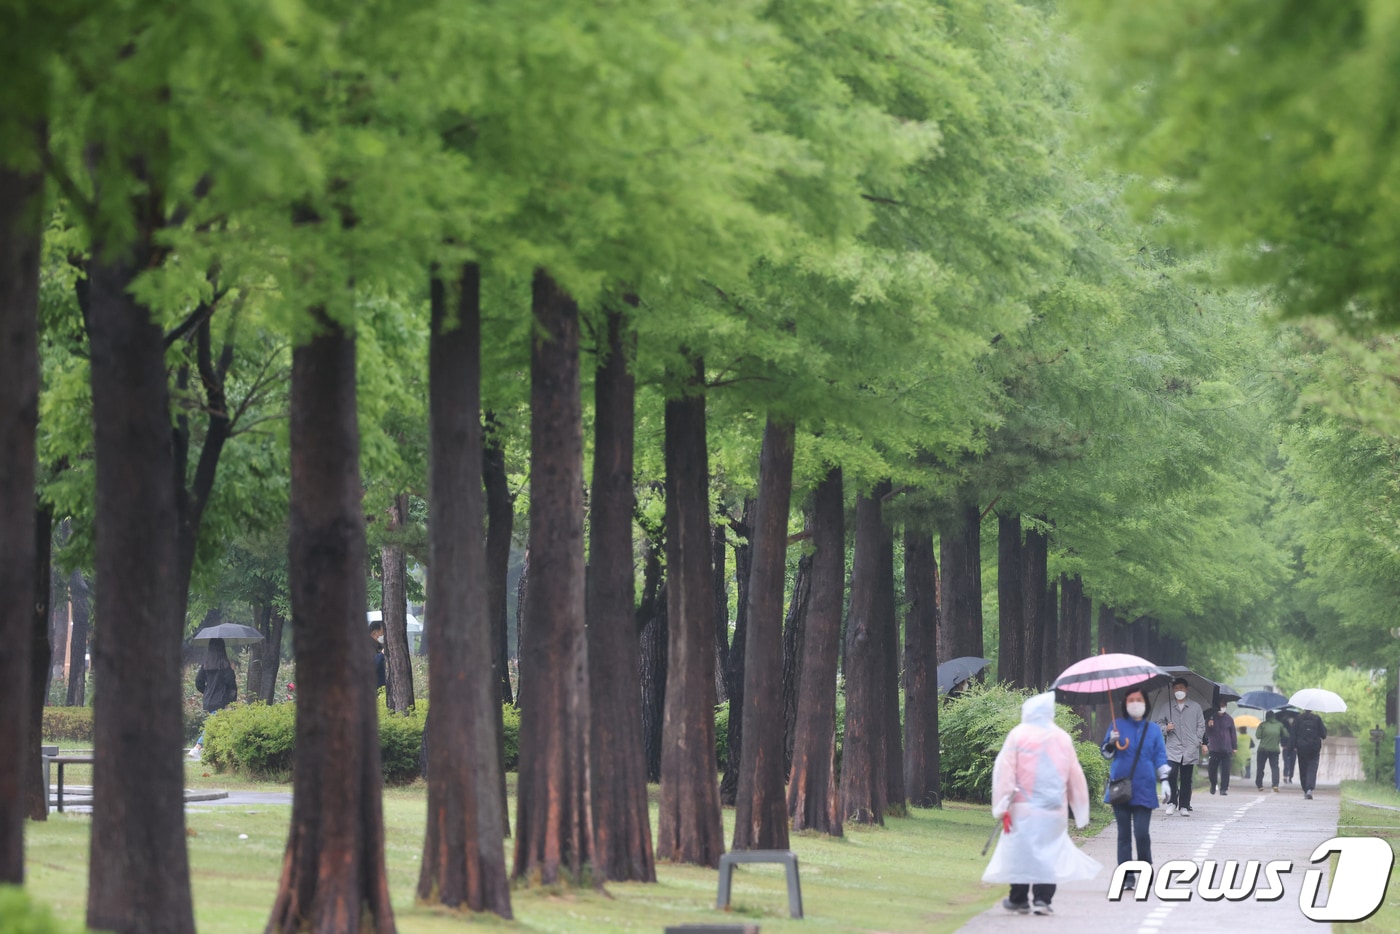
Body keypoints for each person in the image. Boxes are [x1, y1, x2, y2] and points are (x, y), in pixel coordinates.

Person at [984, 691, 1102, 915]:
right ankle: (1043, 899)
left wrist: (1001, 804)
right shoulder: (1062, 738)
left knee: (1021, 850)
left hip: (1022, 806)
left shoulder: (1018, 735)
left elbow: (1005, 772)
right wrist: (1080, 809)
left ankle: (1018, 898)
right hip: (1054, 809)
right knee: (1050, 851)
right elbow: (1074, 776)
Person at [1101, 688, 1170, 891]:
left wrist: (1165, 781)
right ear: (1125, 703)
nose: (1135, 703)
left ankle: (1145, 868)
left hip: (1145, 786)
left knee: (1141, 833)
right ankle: (1127, 876)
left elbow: (1160, 756)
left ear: (1145, 703)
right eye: (1131, 700)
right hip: (1120, 786)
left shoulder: (1154, 730)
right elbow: (1106, 753)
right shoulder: (1117, 725)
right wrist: (1111, 742)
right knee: (1123, 834)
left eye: (1139, 699)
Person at [1157, 677, 1207, 815]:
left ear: (1187, 689)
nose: (1179, 691)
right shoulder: (1166, 707)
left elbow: (1201, 725)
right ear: (1173, 690)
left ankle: (1184, 805)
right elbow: (1158, 723)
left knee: (1186, 777)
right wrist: (1166, 728)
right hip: (1172, 746)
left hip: (1190, 747)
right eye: (1176, 688)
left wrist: (1197, 740)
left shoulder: (1195, 707)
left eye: (1182, 688)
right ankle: (1172, 801)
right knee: (1171, 773)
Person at [190, 638, 238, 758]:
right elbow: (231, 686)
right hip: (221, 701)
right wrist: (230, 701)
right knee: (212, 725)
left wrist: (206, 692)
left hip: (208, 700)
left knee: (216, 725)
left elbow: (198, 682)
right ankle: (197, 747)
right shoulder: (225, 668)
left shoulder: (205, 666)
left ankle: (214, 752)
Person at [1292, 707, 1328, 800]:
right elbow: (1323, 734)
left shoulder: (1298, 719)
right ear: (1312, 709)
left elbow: (1293, 734)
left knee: (1303, 768)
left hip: (1301, 748)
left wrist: (1292, 747)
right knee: (1312, 768)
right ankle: (1309, 789)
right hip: (1314, 748)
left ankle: (1305, 789)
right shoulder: (1317, 719)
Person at [1205, 703, 1237, 795]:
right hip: (1214, 748)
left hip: (1227, 748)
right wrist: (1209, 725)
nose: (1222, 707)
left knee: (1226, 770)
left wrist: (1234, 746)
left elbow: (1233, 733)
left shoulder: (1229, 719)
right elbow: (1206, 732)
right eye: (1220, 705)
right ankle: (1213, 784)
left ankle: (1224, 788)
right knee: (1212, 770)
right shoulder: (1211, 718)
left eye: (1223, 705)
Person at [1255, 709, 1288, 792]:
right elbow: (1286, 734)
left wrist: (1263, 731)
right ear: (1274, 716)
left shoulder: (1262, 725)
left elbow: (1258, 736)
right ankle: (1275, 784)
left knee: (1260, 767)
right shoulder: (1279, 725)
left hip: (1262, 749)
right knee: (1274, 767)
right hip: (1274, 749)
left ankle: (1259, 785)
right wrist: (1279, 736)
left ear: (1266, 716)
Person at [1280, 709, 1298, 784]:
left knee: (1292, 762)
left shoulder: (1297, 724)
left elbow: (1298, 736)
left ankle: (1290, 776)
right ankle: (1285, 776)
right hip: (1286, 746)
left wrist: (1296, 746)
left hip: (1293, 747)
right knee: (1286, 762)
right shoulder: (1284, 723)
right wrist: (1283, 744)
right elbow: (1281, 735)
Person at [369, 620, 387, 692]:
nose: (384, 635)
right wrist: (381, 655)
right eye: (382, 633)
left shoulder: (379, 645)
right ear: (374, 633)